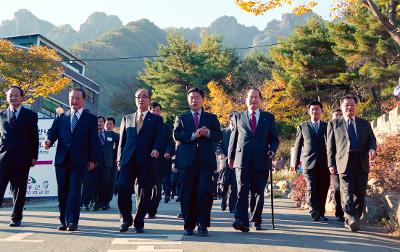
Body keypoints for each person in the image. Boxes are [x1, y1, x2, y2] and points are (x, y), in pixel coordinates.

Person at [44, 87, 98, 231]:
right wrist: (49, 140)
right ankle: (64, 221)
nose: (74, 101)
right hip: (62, 160)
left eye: (77, 98)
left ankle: (73, 221)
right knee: (63, 191)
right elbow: (53, 132)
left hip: (80, 161)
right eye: (72, 98)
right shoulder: (62, 117)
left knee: (74, 191)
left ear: (83, 101)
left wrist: (93, 160)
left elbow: (94, 141)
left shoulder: (91, 119)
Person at [228, 88, 279, 232]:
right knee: (242, 189)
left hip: (261, 159)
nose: (253, 100)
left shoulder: (268, 117)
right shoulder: (238, 116)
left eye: (256, 97)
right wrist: (230, 156)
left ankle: (256, 220)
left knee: (258, 191)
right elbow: (234, 137)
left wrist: (272, 150)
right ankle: (240, 220)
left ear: (260, 100)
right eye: (251, 97)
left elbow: (274, 139)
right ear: (246, 100)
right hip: (241, 159)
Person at [173, 87, 222, 237]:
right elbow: (177, 134)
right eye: (191, 98)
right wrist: (193, 135)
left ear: (203, 99)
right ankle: (189, 224)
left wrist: (208, 133)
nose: (194, 100)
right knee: (187, 193)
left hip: (205, 161)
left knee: (204, 192)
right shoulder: (181, 118)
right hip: (187, 161)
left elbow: (218, 135)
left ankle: (202, 224)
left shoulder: (211, 118)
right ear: (188, 100)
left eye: (197, 97)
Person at [327, 94, 377, 232]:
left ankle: (355, 217)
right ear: (342, 107)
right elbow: (330, 146)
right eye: (346, 105)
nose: (349, 107)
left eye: (352, 105)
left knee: (360, 193)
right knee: (347, 191)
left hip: (361, 161)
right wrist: (331, 164)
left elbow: (372, 139)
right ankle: (350, 218)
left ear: (356, 107)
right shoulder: (334, 124)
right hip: (344, 162)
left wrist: (372, 149)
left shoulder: (364, 123)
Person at [116, 88, 163, 233]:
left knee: (145, 193)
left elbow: (159, 137)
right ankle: (125, 219)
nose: (140, 99)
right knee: (122, 188)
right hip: (128, 160)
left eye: (144, 97)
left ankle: (139, 220)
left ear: (149, 100)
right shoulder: (127, 118)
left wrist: (156, 148)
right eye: (138, 97)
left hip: (147, 160)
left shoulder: (156, 119)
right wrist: (119, 158)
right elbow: (122, 141)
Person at [0, 86, 39, 227]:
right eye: (10, 95)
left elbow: (34, 137)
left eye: (16, 95)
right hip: (3, 158)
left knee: (19, 190)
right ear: (7, 97)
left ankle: (16, 218)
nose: (13, 97)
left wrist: (34, 156)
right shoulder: (1, 114)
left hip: (22, 158)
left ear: (22, 97)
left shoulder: (30, 116)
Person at [293, 101, 330, 222]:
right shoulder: (302, 126)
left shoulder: (327, 126)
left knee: (323, 188)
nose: (315, 111)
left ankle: (321, 212)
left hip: (324, 162)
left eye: (317, 109)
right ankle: (313, 210)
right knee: (312, 186)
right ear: (309, 111)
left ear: (321, 111)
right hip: (308, 163)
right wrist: (295, 161)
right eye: (312, 109)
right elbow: (297, 145)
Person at [147, 102, 174, 217]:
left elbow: (170, 141)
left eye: (158, 110)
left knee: (157, 189)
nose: (156, 113)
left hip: (161, 161)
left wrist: (168, 151)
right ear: (149, 111)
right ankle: (146, 209)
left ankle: (153, 210)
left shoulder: (166, 127)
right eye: (154, 111)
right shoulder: (145, 125)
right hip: (146, 161)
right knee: (146, 188)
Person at [216, 112, 237, 213]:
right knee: (224, 184)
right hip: (225, 162)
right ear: (230, 119)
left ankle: (232, 206)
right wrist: (220, 154)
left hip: (237, 163)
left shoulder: (240, 132)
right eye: (233, 118)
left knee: (235, 185)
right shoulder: (223, 132)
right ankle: (223, 199)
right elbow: (218, 145)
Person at [101, 116, 119, 210]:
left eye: (110, 124)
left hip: (112, 163)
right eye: (107, 123)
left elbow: (119, 149)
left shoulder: (116, 136)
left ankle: (106, 201)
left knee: (110, 183)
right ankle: (99, 201)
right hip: (101, 163)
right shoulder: (99, 134)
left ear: (113, 125)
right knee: (101, 183)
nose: (108, 125)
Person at [331, 109, 344, 222]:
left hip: (346, 162)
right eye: (336, 115)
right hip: (334, 162)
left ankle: (347, 211)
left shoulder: (346, 127)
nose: (339, 117)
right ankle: (339, 212)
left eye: (341, 115)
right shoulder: (329, 127)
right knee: (338, 188)